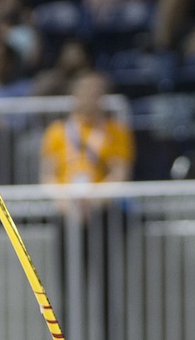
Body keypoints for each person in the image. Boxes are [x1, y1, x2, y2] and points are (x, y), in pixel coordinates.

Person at [38, 71, 134, 340]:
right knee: (67, 287)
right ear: (75, 95)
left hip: (102, 214)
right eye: (86, 91)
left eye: (97, 91)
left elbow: (120, 172)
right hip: (67, 215)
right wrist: (66, 205)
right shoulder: (57, 132)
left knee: (105, 286)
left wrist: (95, 201)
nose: (92, 97)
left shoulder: (116, 131)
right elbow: (48, 176)